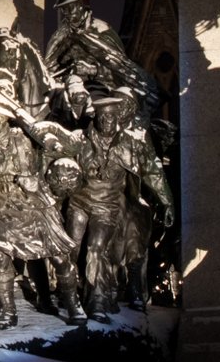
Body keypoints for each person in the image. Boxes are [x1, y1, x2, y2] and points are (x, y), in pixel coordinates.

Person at [21, 96, 174, 322]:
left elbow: (153, 172)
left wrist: (167, 201)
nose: (107, 122)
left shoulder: (130, 144)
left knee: (96, 249)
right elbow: (51, 152)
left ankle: (98, 302)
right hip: (79, 203)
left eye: (111, 117)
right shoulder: (80, 140)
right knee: (71, 249)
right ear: (97, 118)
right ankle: (70, 296)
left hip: (107, 207)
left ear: (118, 118)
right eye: (103, 117)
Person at [0, 99, 86, 328]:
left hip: (33, 202)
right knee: (0, 256)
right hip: (2, 204)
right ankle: (8, 312)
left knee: (58, 256)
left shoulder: (24, 137)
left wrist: (34, 127)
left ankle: (73, 304)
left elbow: (62, 149)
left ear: (2, 117)